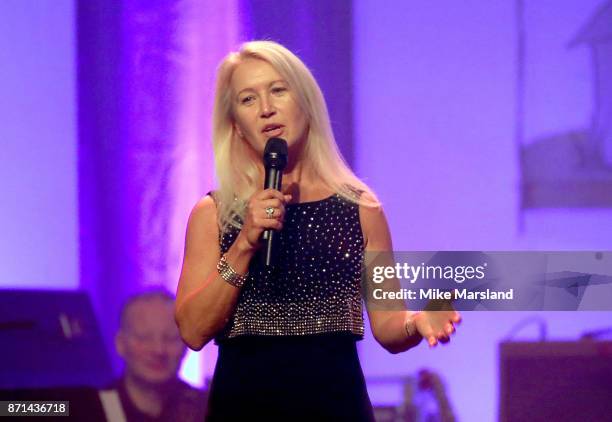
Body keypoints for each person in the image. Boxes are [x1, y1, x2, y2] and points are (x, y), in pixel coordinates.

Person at [174, 40, 460, 421]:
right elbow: (193, 331)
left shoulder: (360, 209)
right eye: (247, 99)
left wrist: (417, 322)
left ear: (306, 101)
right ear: (236, 127)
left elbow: (389, 326)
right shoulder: (213, 214)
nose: (266, 109)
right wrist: (244, 243)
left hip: (336, 406)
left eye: (278, 90)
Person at [113, 289, 207, 422]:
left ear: (187, 345)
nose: (159, 350)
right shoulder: (87, 408)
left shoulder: (209, 410)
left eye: (171, 338)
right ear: (120, 343)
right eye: (144, 338)